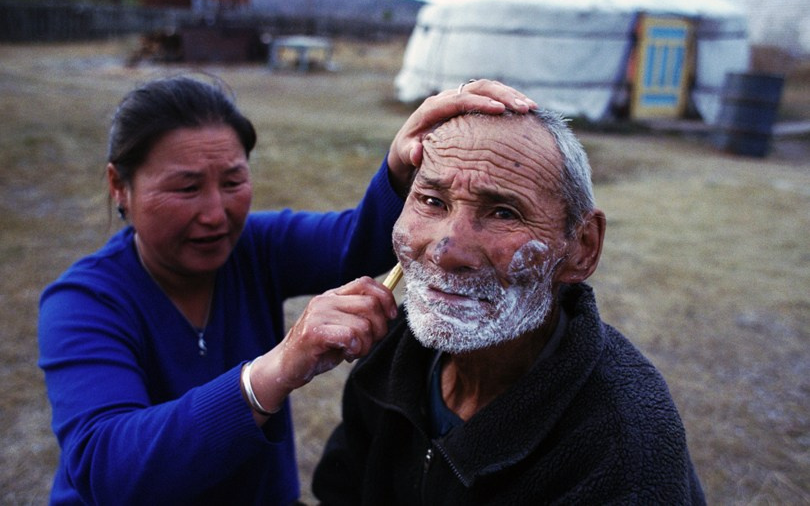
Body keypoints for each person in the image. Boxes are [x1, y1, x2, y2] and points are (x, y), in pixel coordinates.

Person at [37, 75, 537, 505]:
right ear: (118, 187)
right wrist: (271, 373)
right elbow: (107, 466)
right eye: (186, 188)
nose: (216, 213)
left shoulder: (253, 247)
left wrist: (398, 169)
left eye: (233, 181)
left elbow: (354, 247)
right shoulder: (84, 302)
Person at [312, 109, 706, 504]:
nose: (447, 251)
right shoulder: (393, 355)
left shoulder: (624, 442)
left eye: (503, 213)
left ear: (582, 247)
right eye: (433, 201)